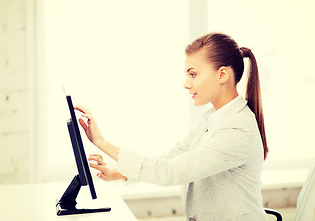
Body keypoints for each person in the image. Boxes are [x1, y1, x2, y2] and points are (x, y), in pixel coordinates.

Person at [75, 32, 269, 221]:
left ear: (222, 74)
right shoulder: (213, 120)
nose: (186, 83)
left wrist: (102, 143)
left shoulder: (238, 130)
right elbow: (172, 156)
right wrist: (118, 173)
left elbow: (171, 171)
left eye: (193, 74)